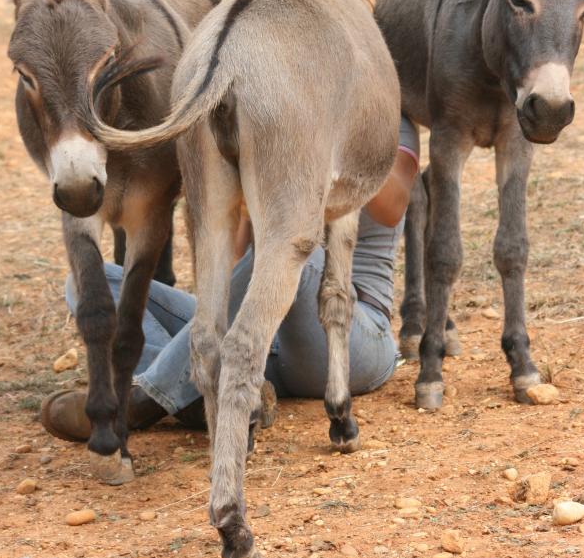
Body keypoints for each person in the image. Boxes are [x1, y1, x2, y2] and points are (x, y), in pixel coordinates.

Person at [41, 116, 419, 441]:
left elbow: (393, 206)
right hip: (264, 348)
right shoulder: (275, 113)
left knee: (288, 250)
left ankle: (148, 398)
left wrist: (319, 128)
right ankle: (197, 396)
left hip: (355, 336)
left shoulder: (385, 112)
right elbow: (241, 255)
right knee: (91, 282)